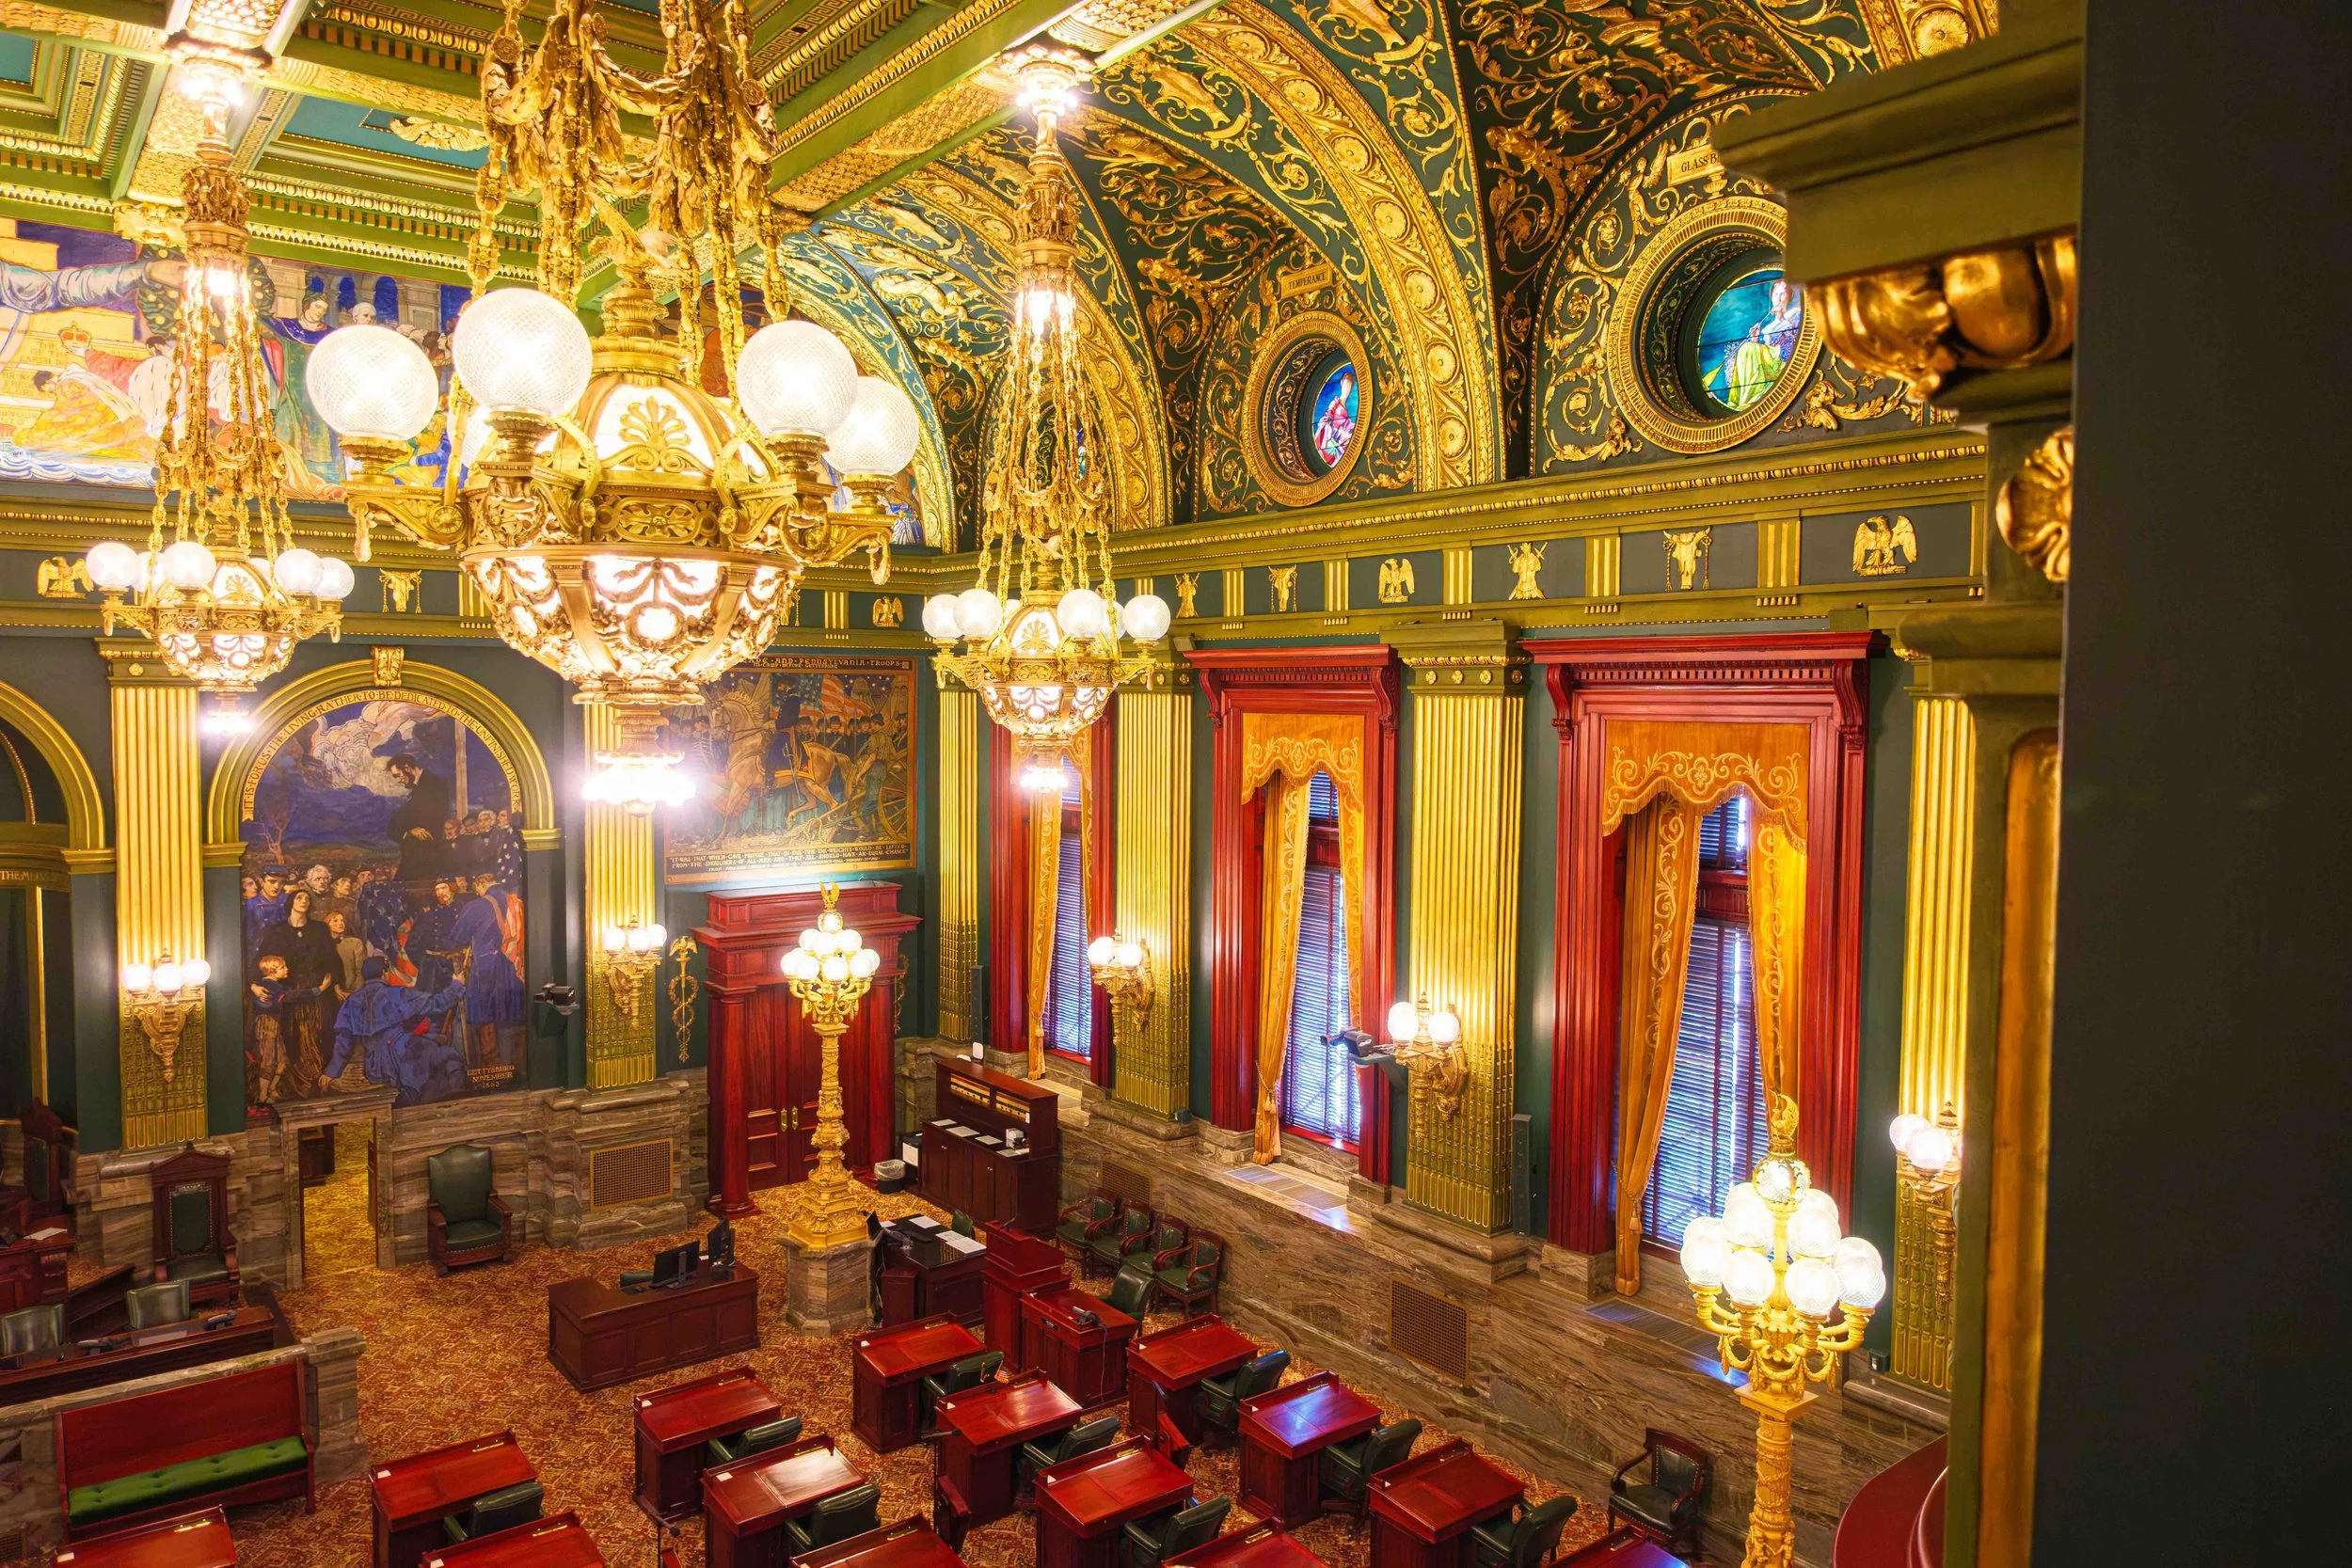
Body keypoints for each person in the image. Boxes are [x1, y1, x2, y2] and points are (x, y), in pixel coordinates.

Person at [323, 958, 469, 1105]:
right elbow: (435, 1004)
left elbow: (343, 1041)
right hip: (404, 1053)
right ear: (384, 973)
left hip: (375, 1067)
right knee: (450, 1058)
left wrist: (331, 1072)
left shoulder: (351, 1002)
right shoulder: (397, 994)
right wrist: (457, 985)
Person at [256, 889, 339, 1098]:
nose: (303, 901)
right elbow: (260, 961)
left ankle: (316, 1076)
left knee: (317, 1032)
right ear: (291, 902)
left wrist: (334, 983)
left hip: (317, 991)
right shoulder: (277, 931)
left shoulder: (319, 929)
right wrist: (253, 986)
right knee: (294, 1034)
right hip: (290, 992)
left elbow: (332, 958)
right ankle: (292, 1081)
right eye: (299, 898)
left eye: (307, 899)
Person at [385, 752, 453, 881]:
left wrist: (411, 830)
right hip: (416, 853)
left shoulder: (433, 784)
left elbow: (430, 819)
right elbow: (400, 820)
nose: (399, 780)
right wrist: (410, 831)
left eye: (398, 775)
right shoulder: (420, 787)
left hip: (426, 854)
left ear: (407, 767)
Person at [247, 953, 291, 1104]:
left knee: (282, 1060)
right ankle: (262, 1095)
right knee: (268, 1059)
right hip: (267, 1023)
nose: (286, 969)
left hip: (274, 1023)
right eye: (282, 967)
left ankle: (271, 1089)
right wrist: (317, 990)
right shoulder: (269, 986)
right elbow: (268, 1004)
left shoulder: (275, 986)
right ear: (272, 971)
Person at [1312, 369, 1357, 467]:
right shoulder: (1335, 404)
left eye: (1349, 384)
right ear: (1342, 384)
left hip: (1337, 446)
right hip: (1326, 442)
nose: (1347, 387)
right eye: (1345, 383)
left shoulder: (1349, 425)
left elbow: (1349, 435)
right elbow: (1325, 420)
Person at [325, 909, 366, 995]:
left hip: (352, 992)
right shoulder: (322, 946)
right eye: (335, 921)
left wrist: (354, 993)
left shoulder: (355, 943)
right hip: (329, 993)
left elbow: (360, 971)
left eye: (342, 920)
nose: (340, 923)